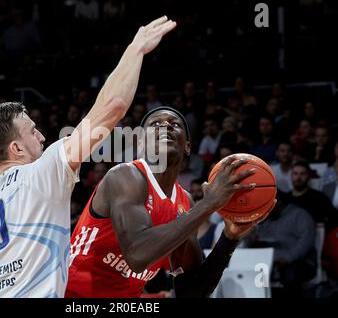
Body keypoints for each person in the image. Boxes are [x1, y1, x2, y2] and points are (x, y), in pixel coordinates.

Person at [0, 16, 178, 298]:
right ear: (16, 148)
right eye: (32, 131)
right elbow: (112, 107)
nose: (41, 136)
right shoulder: (43, 172)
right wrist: (135, 50)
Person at [66, 107, 273, 298]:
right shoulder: (125, 176)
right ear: (140, 144)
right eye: (155, 124)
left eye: (174, 124)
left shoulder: (185, 203)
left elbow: (190, 292)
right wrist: (208, 204)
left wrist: (230, 237)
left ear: (188, 146)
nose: (165, 125)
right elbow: (137, 255)